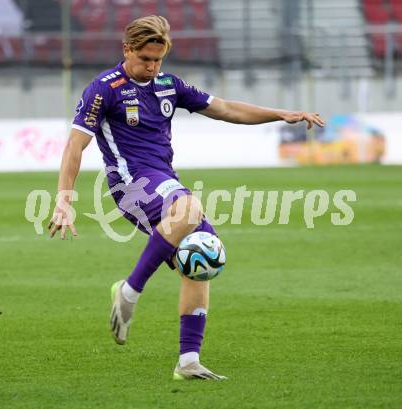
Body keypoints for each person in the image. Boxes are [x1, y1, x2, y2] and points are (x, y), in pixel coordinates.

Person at [48, 15, 324, 381]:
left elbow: (225, 109)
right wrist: (64, 199)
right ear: (127, 49)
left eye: (158, 59)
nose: (152, 66)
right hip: (131, 185)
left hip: (163, 180)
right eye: (145, 58)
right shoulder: (103, 89)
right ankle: (129, 292)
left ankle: (188, 361)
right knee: (191, 208)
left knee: (202, 255)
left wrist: (279, 114)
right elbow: (74, 146)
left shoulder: (167, 85)